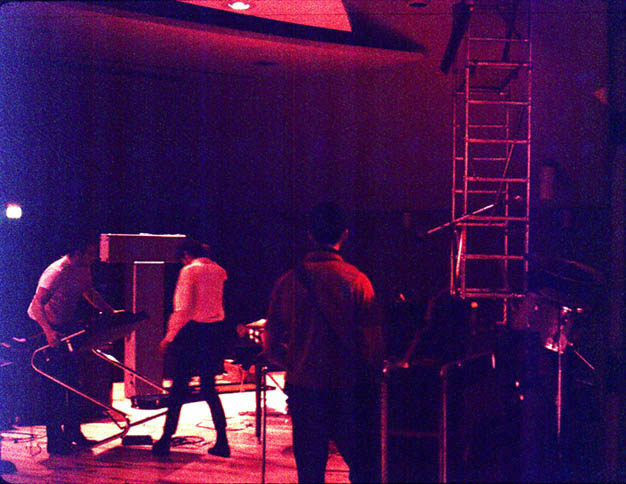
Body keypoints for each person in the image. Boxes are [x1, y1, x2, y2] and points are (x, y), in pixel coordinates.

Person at [262, 202, 384, 483]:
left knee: (310, 473)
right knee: (365, 469)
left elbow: (269, 345)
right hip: (347, 390)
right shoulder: (357, 281)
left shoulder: (288, 281)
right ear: (345, 234)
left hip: (304, 389)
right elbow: (373, 348)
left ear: (310, 235)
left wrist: (295, 362)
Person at [27, 233, 118, 455]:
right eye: (91, 253)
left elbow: (89, 292)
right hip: (44, 326)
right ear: (77, 253)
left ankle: (73, 432)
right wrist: (48, 331)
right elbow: (36, 306)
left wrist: (110, 311)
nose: (94, 257)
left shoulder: (83, 268)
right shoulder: (57, 272)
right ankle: (54, 440)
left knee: (74, 383)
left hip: (64, 326)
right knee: (55, 387)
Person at [152, 238, 230, 458]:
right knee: (209, 388)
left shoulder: (189, 271)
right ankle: (222, 441)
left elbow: (183, 309)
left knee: (178, 388)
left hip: (193, 332)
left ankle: (166, 439)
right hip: (214, 332)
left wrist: (168, 338)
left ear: (186, 255)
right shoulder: (219, 270)